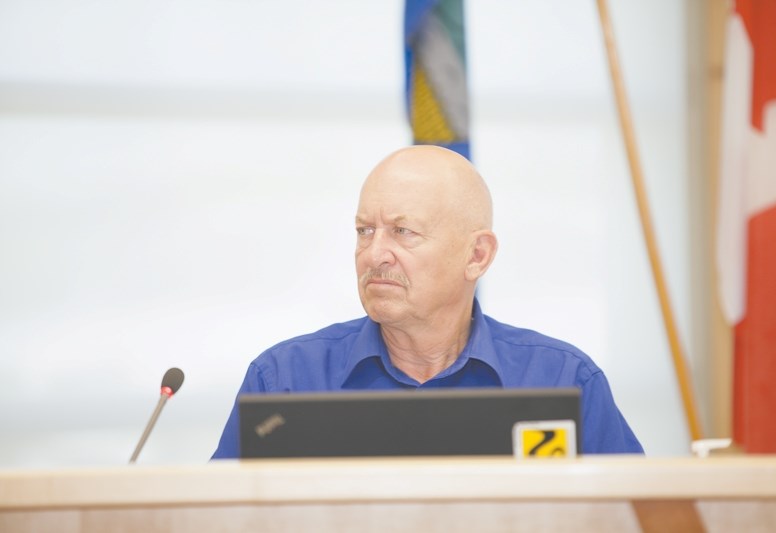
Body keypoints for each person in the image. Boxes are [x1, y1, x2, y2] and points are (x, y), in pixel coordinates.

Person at [212, 145, 643, 458]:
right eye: (364, 230)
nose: (374, 253)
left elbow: (638, 518)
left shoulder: (561, 380)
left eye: (403, 232)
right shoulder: (284, 382)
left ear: (477, 256)